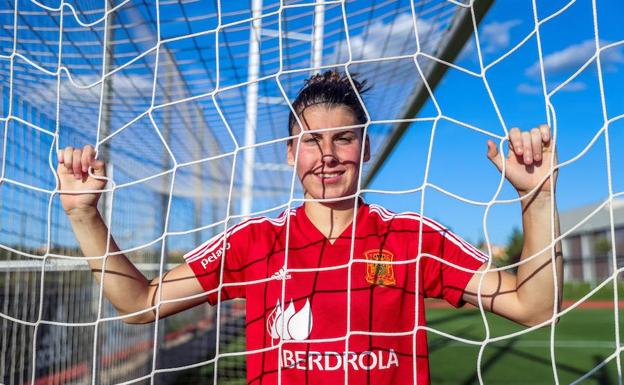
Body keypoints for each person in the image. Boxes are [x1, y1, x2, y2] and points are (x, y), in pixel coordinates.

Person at [57, 70, 562, 385]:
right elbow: (140, 305)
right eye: (310, 141)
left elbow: (533, 306)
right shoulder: (253, 241)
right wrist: (85, 215)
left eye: (343, 139)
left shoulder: (413, 237)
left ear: (364, 148)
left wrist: (537, 199)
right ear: (288, 153)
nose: (327, 156)